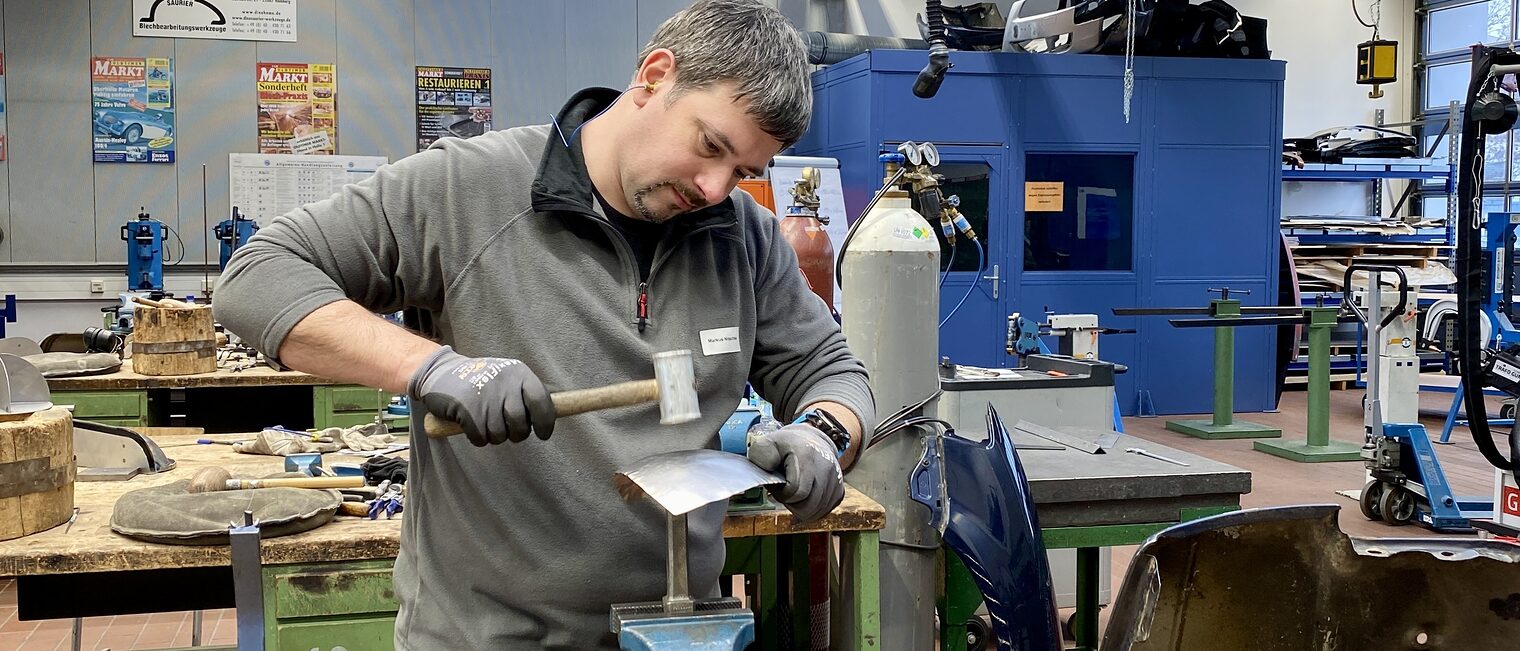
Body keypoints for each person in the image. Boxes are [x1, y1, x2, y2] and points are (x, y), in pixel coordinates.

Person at [212, 1, 876, 648]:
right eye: (710, 146)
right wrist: (433, 368)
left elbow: (831, 371)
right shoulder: (468, 189)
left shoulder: (743, 239)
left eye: (742, 171)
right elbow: (260, 276)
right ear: (654, 76)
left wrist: (822, 435)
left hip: (676, 626)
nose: (712, 187)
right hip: (488, 634)